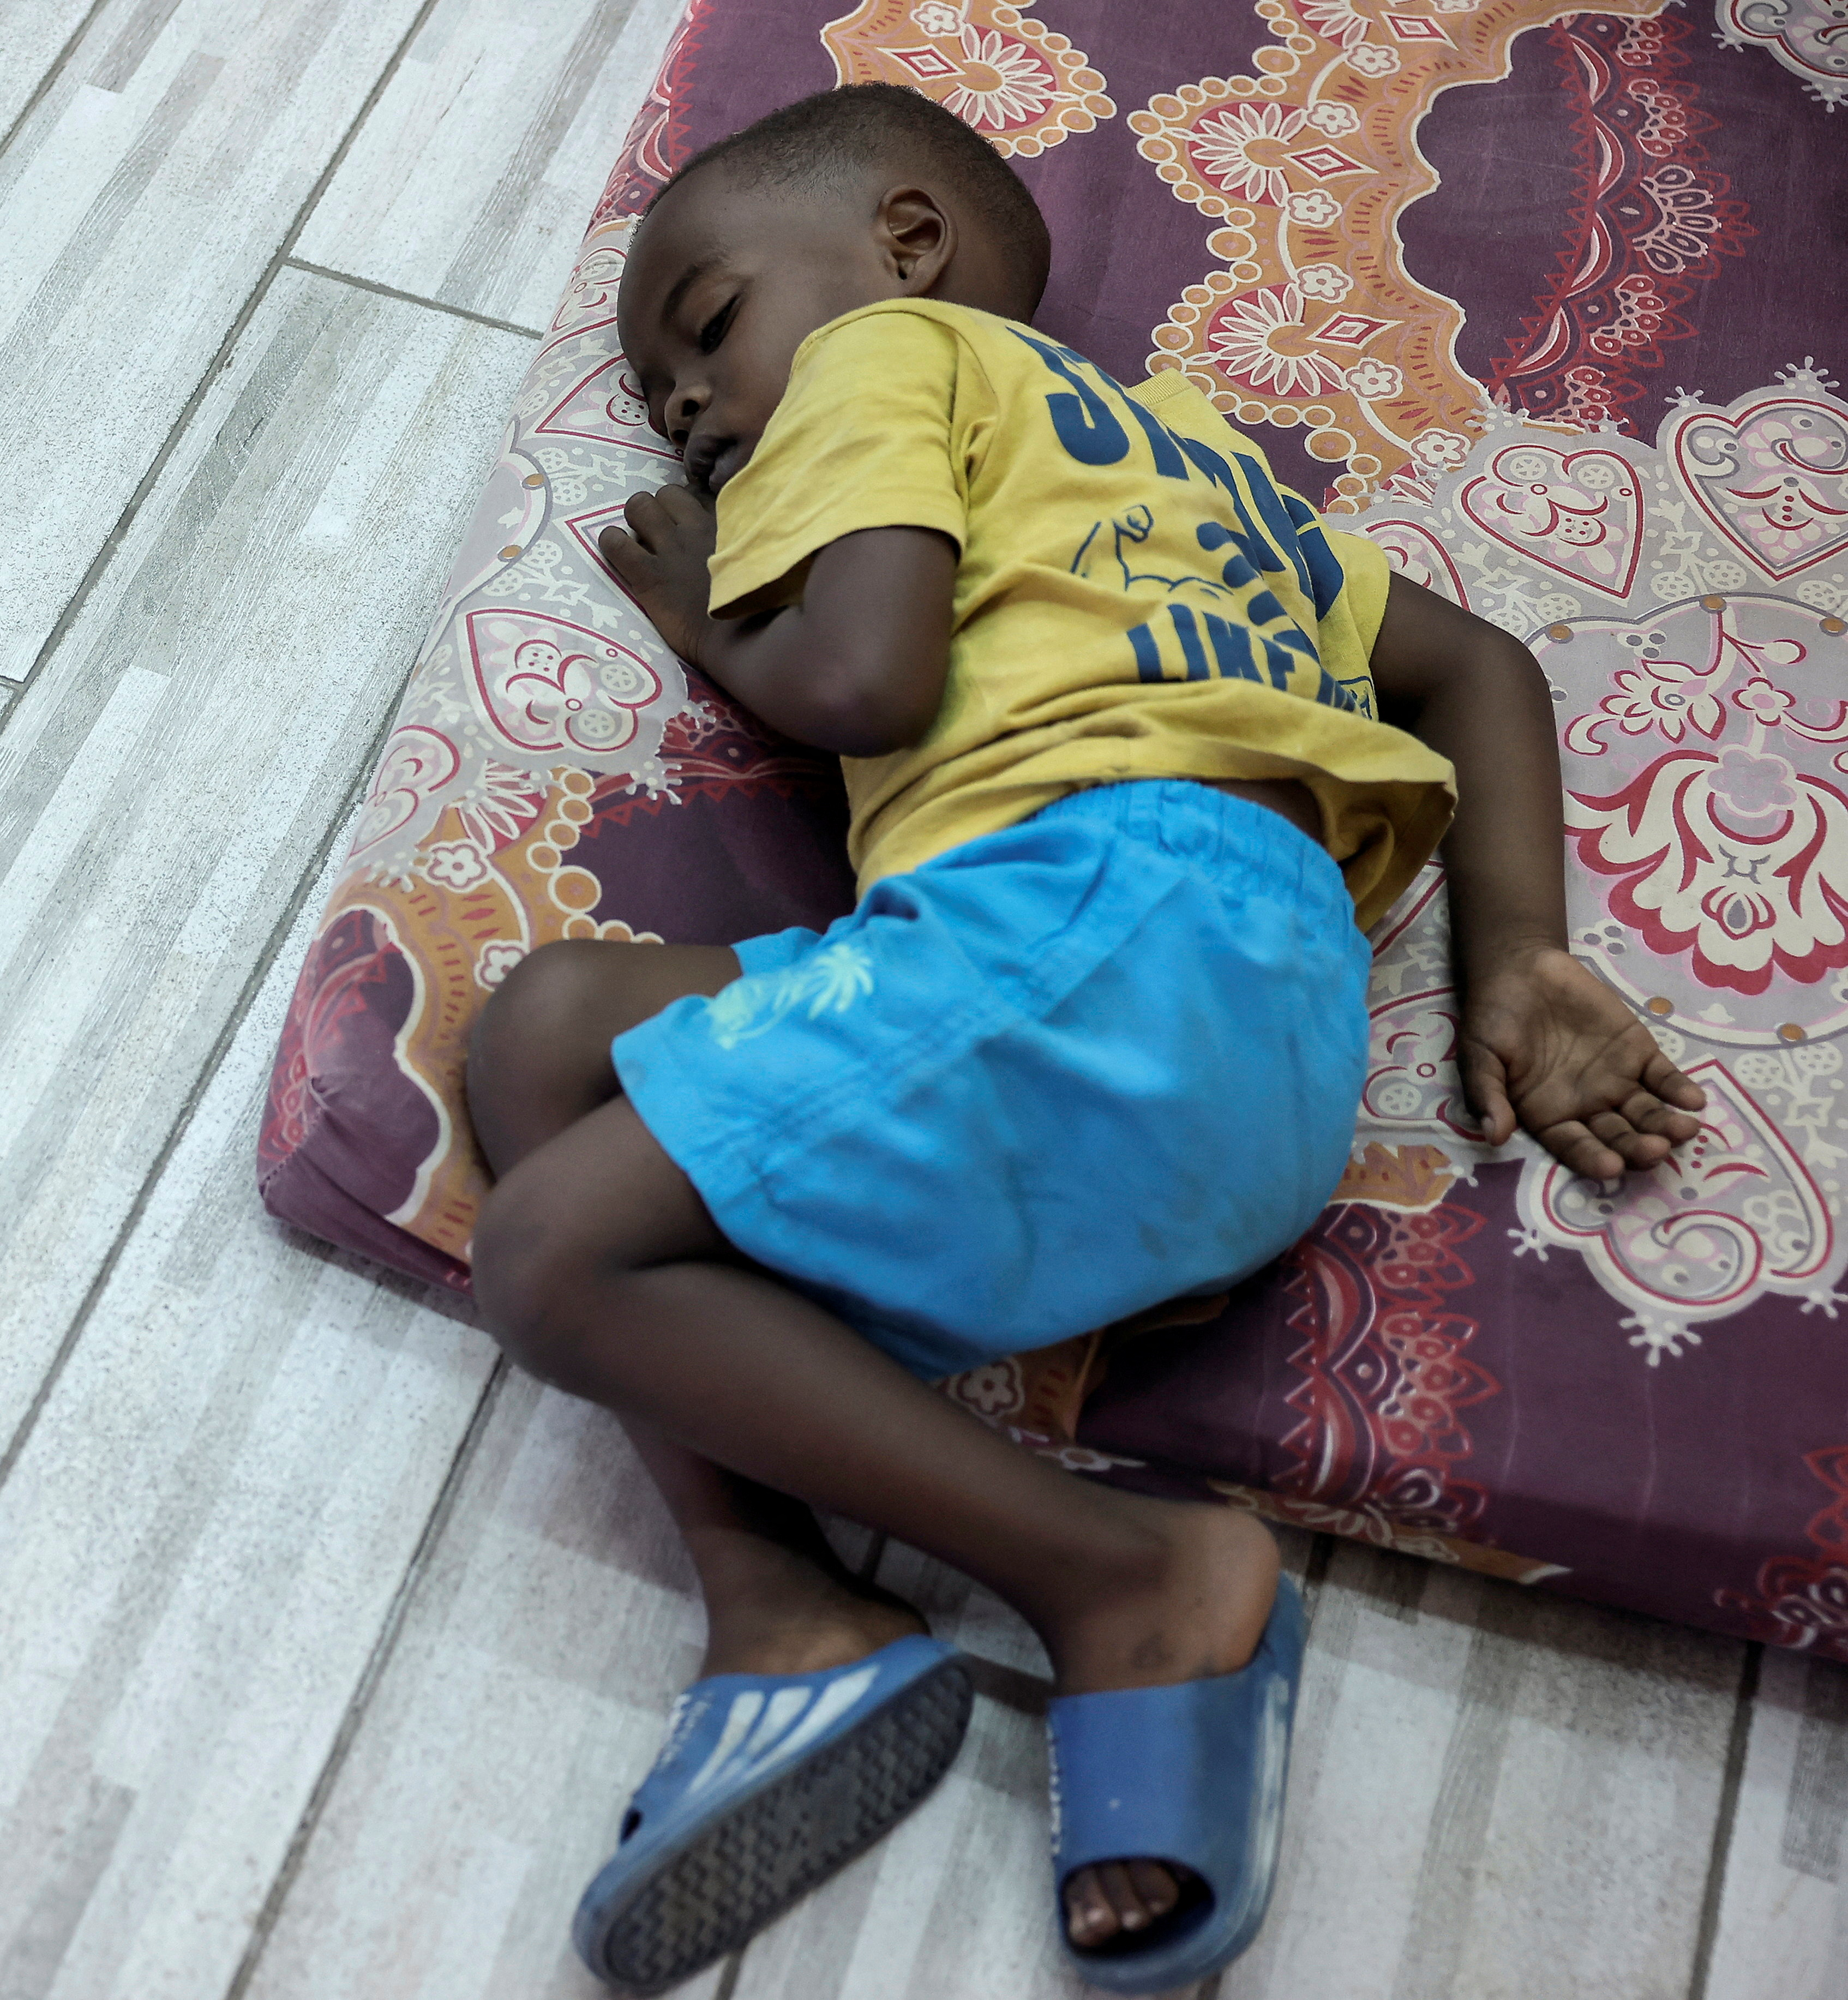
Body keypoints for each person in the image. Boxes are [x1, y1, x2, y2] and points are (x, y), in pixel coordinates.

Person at [464, 83, 1707, 1994]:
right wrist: (1517, 959)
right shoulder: (1183, 463)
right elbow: (1477, 665)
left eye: (703, 329)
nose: (693, 411)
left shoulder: (881, 362)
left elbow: (864, 671)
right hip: (1219, 1009)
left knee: (551, 1252)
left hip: (1084, 933)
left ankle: (1121, 1579)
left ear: (898, 245)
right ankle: (780, 1603)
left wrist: (719, 616)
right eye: (663, 401)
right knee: (548, 1035)